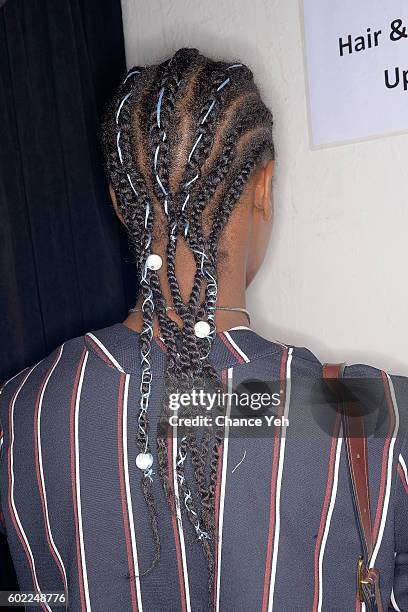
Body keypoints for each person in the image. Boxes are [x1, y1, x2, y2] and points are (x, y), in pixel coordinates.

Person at [0, 48, 407, 612]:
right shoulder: (378, 415)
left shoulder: (21, 411)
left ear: (121, 205)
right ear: (263, 189)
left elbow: (27, 597)